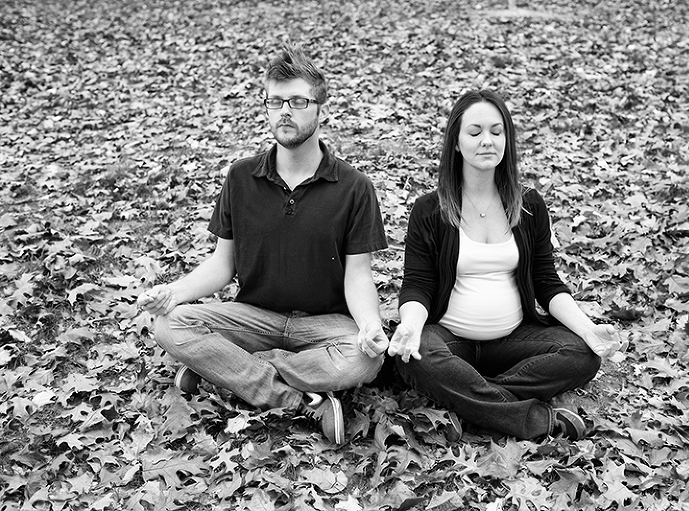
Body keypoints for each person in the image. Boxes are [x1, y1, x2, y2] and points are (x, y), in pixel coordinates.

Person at [136, 42, 389, 445]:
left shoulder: (354, 187)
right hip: (253, 318)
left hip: (323, 326)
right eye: (275, 101)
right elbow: (222, 265)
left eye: (298, 101)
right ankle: (300, 399)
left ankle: (227, 370)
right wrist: (174, 292)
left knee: (366, 358)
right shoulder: (241, 177)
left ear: (321, 109)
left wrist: (370, 325)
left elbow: (358, 276)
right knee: (170, 323)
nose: (285, 111)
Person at [382, 90, 621, 441]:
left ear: (507, 140)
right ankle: (533, 419)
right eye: (475, 132)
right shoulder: (430, 210)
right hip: (449, 339)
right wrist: (412, 326)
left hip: (512, 341)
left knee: (583, 355)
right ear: (456, 143)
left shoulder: (529, 205)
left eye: (497, 131)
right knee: (418, 358)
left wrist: (588, 329)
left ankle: (467, 399)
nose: (487, 141)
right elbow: (418, 284)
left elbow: (546, 282)